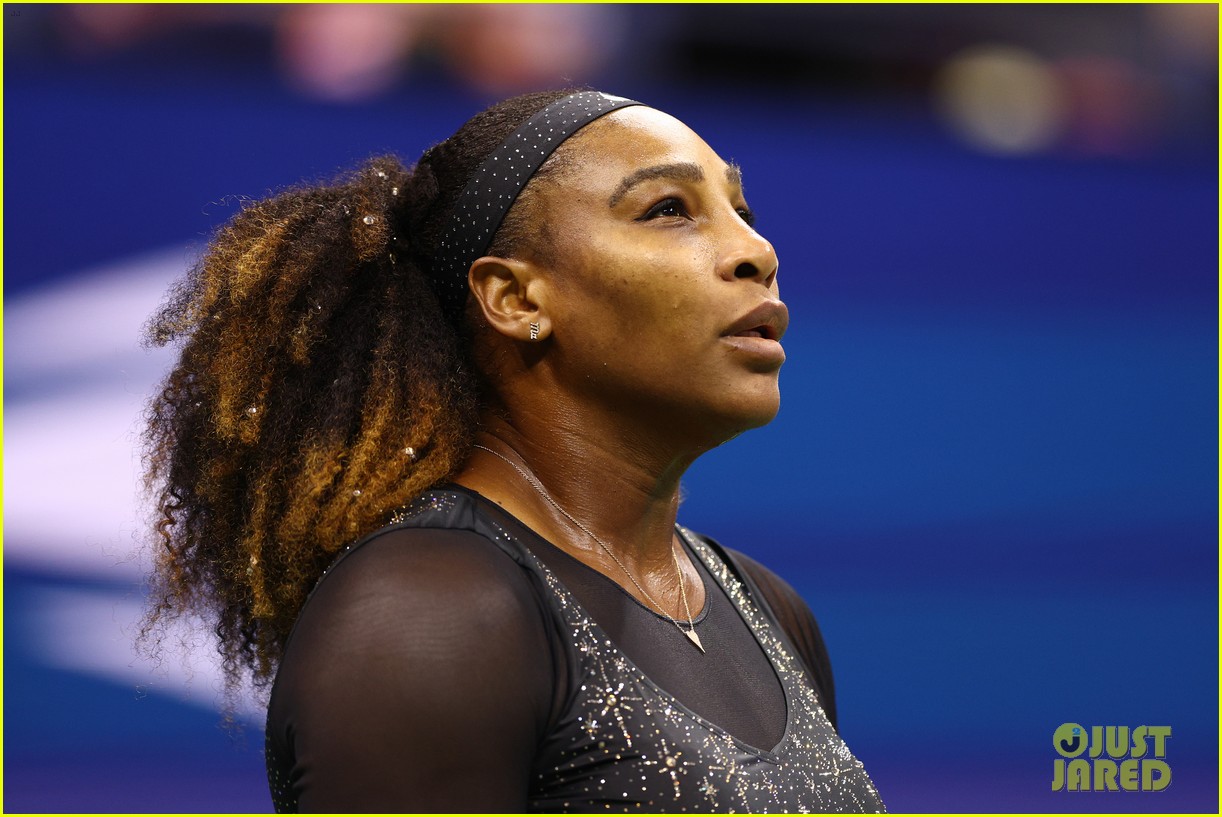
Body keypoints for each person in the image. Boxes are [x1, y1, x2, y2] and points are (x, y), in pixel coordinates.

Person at [143, 88, 886, 813]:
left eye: (743, 212)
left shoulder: (770, 609)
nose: (756, 251)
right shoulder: (428, 612)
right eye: (668, 210)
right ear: (516, 298)